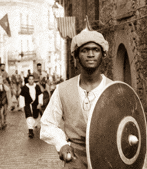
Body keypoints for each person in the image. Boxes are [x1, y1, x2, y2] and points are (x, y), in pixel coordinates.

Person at [40, 29, 113, 168]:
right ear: (76, 56)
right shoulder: (63, 89)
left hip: (106, 161)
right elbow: (47, 123)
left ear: (103, 54)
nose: (90, 54)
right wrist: (61, 144)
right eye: (85, 50)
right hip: (75, 161)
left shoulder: (115, 90)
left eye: (95, 50)